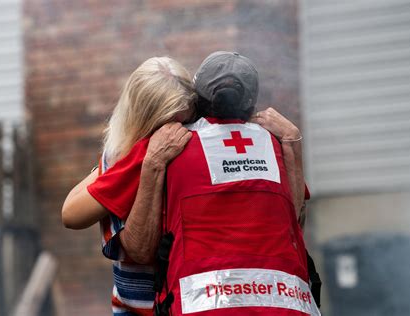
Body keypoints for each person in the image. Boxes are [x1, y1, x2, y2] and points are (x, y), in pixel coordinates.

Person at [83, 52, 320, 315]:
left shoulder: (166, 144)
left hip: (198, 305)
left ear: (199, 100)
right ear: (252, 105)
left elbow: (75, 216)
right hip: (288, 305)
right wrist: (293, 142)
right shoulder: (277, 143)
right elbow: (296, 226)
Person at [62, 56, 197, 315]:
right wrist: (121, 167)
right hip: (135, 307)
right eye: (168, 124)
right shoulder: (131, 156)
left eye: (186, 121)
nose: (177, 133)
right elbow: (71, 214)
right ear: (145, 121)